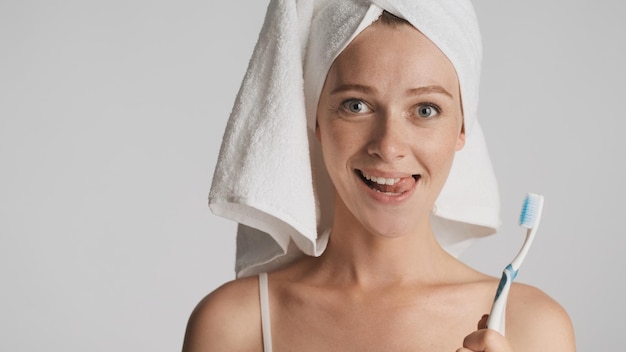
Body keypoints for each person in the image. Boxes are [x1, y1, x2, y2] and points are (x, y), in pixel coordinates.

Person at [182, 1, 575, 351]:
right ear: (314, 118)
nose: (388, 146)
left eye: (425, 110)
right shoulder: (232, 326)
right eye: (356, 105)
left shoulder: (533, 329)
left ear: (461, 129)